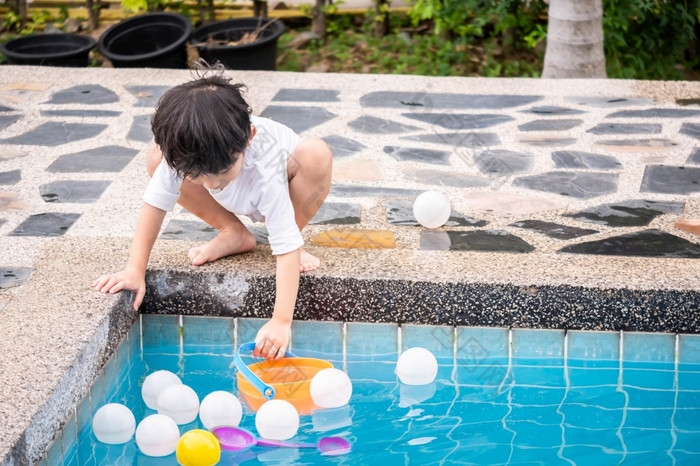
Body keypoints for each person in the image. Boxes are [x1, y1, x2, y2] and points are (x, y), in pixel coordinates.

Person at [93, 65, 332, 361]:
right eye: (199, 175)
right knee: (157, 161)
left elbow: (285, 252)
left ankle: (290, 237)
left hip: (288, 187)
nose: (212, 184)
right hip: (238, 188)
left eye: (220, 171)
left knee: (316, 154)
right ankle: (234, 233)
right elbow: (154, 207)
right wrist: (134, 269)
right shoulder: (182, 151)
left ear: (249, 137)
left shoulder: (266, 165)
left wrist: (281, 321)